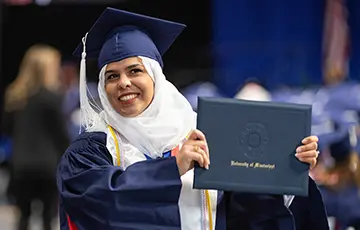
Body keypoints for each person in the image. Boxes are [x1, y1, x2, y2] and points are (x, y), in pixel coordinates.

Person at [57, 7, 329, 230]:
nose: (124, 83)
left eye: (135, 70)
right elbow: (97, 205)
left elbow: (244, 213)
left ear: (156, 77)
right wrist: (171, 169)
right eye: (112, 76)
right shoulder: (90, 151)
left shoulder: (205, 133)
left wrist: (285, 170)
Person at [3, 44, 69, 230]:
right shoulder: (53, 98)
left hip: (21, 164)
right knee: (48, 218)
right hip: (48, 165)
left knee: (23, 216)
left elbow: (8, 131)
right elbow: (61, 134)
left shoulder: (14, 97)